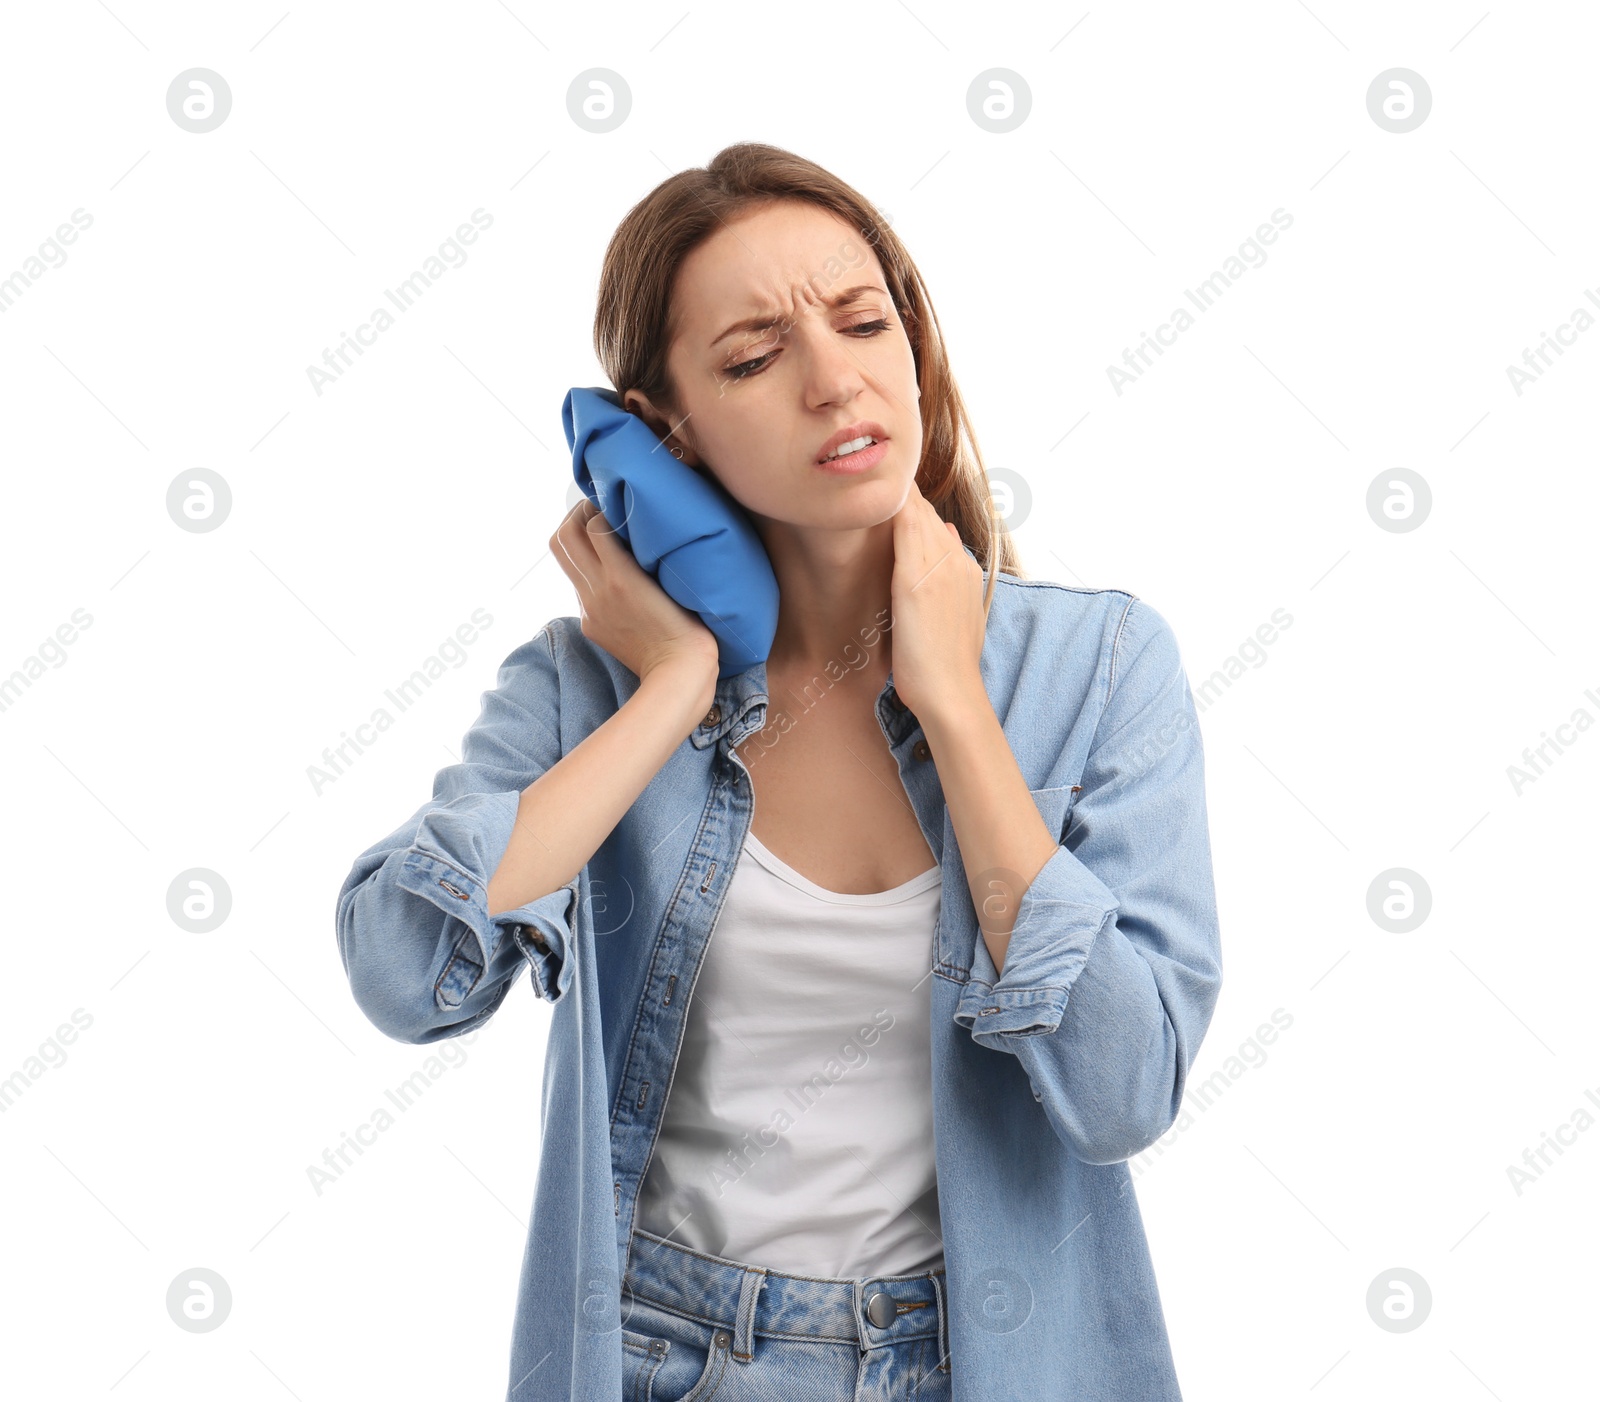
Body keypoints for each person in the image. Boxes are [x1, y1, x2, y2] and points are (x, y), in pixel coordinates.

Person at [335, 141, 1223, 1401]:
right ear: (663, 435)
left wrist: (957, 711)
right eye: (754, 357)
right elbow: (402, 973)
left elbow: (1125, 1090)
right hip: (655, 1355)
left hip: (985, 1360)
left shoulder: (1101, 665)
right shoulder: (583, 689)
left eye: (864, 322)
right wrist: (672, 692)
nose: (833, 381)